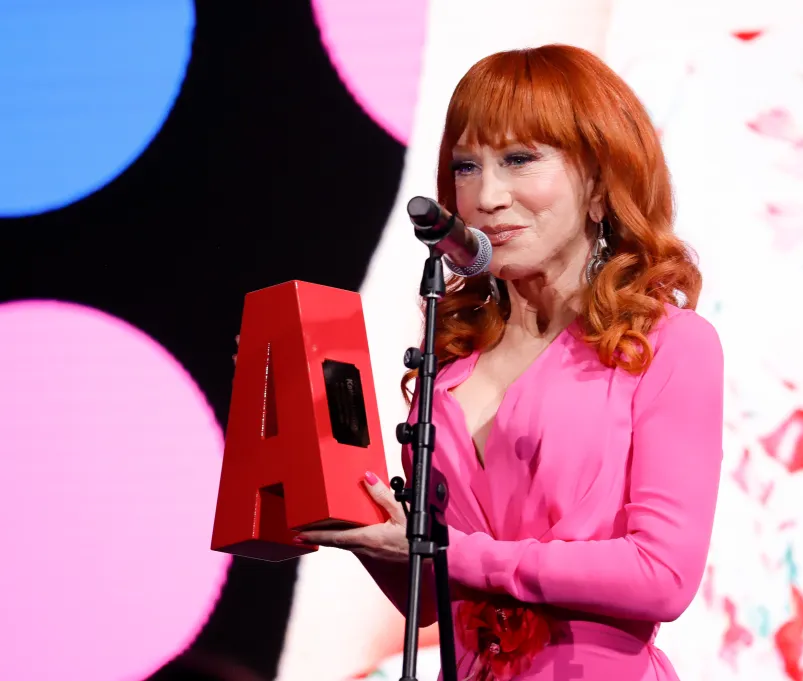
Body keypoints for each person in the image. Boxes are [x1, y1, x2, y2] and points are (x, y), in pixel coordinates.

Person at [294, 44, 724, 681]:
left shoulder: (666, 346)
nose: (487, 196)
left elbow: (662, 577)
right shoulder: (452, 359)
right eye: (467, 167)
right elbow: (427, 603)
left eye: (520, 160)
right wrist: (351, 518)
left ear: (601, 185)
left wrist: (453, 553)